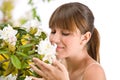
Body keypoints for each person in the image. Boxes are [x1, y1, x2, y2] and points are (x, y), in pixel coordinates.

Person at [30, 2, 106, 80]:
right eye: (53, 31)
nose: (54, 39)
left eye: (65, 33)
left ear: (85, 38)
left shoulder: (94, 71)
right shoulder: (55, 65)